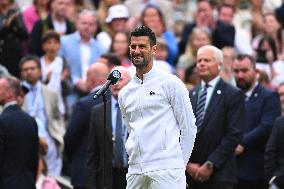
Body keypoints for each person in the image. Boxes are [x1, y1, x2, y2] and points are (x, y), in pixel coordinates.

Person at [118, 25, 197, 189]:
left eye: (142, 46)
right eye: (133, 46)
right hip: (135, 171)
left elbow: (188, 127)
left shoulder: (171, 83)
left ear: (154, 50)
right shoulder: (124, 93)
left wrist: (177, 166)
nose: (137, 51)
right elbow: (131, 129)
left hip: (167, 170)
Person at [187, 45, 244, 189]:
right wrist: (187, 163)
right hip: (191, 174)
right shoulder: (190, 94)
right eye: (199, 61)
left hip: (220, 174)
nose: (202, 64)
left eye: (207, 60)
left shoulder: (232, 94)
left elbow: (234, 134)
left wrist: (211, 164)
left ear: (219, 64)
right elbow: (182, 131)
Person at [233, 54, 281, 189]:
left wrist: (242, 143)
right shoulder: (232, 96)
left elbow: (267, 126)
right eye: (236, 71)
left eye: (244, 70)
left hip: (255, 168)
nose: (240, 75)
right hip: (231, 169)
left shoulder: (269, 96)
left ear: (256, 72)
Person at [64, 62, 110, 189]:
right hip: (110, 173)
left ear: (91, 79)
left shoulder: (84, 104)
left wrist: (72, 159)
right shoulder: (117, 102)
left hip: (84, 170)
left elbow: (70, 137)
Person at [86, 66, 131, 189]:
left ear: (131, 83)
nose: (115, 83)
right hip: (107, 178)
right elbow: (92, 153)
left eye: (120, 79)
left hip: (133, 176)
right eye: (112, 80)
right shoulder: (98, 112)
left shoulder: (139, 109)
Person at [20, 55, 65, 176]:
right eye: (25, 69)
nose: (29, 72)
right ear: (21, 73)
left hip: (49, 138)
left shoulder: (51, 92)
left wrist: (59, 135)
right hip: (26, 139)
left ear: (40, 71)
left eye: (32, 68)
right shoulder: (18, 93)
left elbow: (58, 116)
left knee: (52, 178)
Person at [59, 9, 104, 107]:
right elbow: (59, 66)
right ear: (77, 24)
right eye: (84, 23)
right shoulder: (64, 42)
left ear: (96, 27)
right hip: (70, 91)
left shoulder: (101, 48)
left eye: (91, 24)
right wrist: (76, 81)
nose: (87, 27)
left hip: (93, 92)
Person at [0, 76, 39, 189]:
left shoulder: (2, 121)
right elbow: (34, 160)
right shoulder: (30, 120)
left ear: (9, 93)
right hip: (28, 184)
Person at [265, 116, 284, 189]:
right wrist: (271, 177)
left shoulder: (280, 122)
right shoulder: (280, 122)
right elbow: (270, 151)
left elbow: (270, 150)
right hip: (279, 179)